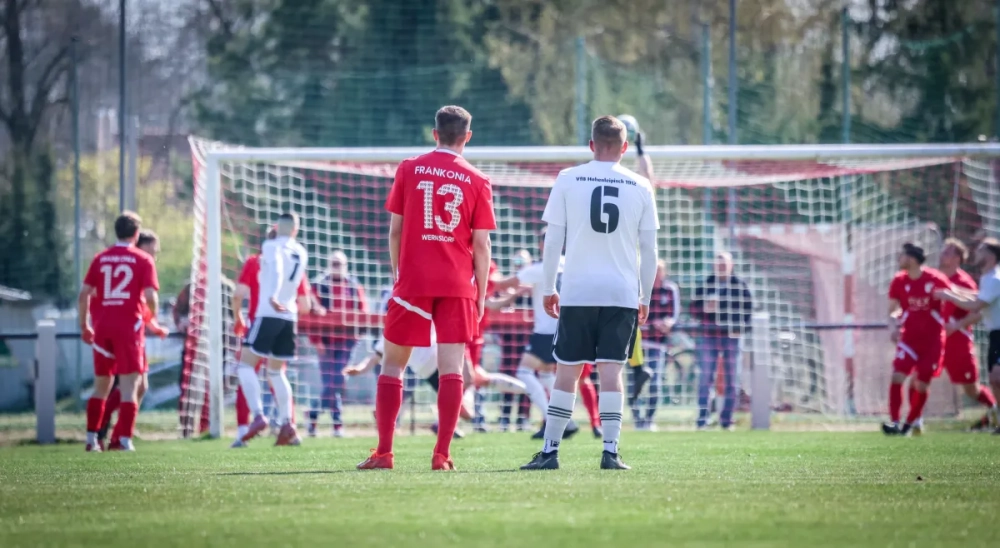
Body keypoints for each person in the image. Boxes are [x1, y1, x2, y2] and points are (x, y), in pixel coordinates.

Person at [357, 105, 496, 471]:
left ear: (435, 134)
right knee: (451, 369)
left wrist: (398, 275)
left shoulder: (408, 168)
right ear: (467, 137)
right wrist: (481, 294)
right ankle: (442, 455)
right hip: (457, 284)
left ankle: (384, 453)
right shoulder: (479, 179)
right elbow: (482, 245)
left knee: (393, 365)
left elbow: (395, 231)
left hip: (414, 280)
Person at [520, 115, 659, 471]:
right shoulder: (641, 185)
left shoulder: (568, 178)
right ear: (625, 147)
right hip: (621, 293)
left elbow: (553, 240)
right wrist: (645, 297)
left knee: (567, 372)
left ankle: (550, 452)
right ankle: (610, 452)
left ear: (591, 144)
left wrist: (549, 287)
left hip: (578, 291)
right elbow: (650, 250)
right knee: (611, 372)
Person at [79, 211, 160, 452]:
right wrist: (150, 316)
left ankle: (91, 439)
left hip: (102, 327)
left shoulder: (100, 258)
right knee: (130, 387)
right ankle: (124, 440)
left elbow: (83, 294)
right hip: (128, 329)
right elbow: (151, 297)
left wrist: (84, 325)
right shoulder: (143, 260)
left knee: (101, 386)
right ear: (136, 234)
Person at [231, 227, 318, 446]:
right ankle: (289, 426)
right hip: (288, 319)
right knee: (277, 374)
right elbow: (305, 305)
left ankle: (250, 423)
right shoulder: (296, 261)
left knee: (245, 368)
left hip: (261, 320)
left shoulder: (256, 261)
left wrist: (237, 317)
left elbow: (238, 294)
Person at [493, 228, 582, 439]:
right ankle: (565, 419)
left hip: (546, 330)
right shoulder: (571, 264)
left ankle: (555, 419)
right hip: (567, 328)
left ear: (542, 245)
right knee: (546, 374)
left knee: (524, 372)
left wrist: (484, 271)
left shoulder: (540, 268)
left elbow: (502, 285)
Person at [96, 230, 169, 449]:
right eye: (152, 250)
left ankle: (115, 435)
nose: (154, 255)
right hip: (125, 334)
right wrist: (152, 321)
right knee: (126, 387)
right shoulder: (137, 264)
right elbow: (145, 303)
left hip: (128, 333)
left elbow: (140, 307)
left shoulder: (132, 264)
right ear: (139, 244)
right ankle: (105, 432)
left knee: (138, 386)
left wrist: (153, 326)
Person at [882, 243, 952, 436]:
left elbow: (952, 298)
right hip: (909, 339)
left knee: (921, 384)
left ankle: (910, 424)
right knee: (897, 376)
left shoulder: (935, 279)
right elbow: (892, 310)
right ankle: (895, 422)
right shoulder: (899, 280)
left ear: (912, 259)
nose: (899, 259)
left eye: (902, 255)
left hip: (932, 342)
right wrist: (894, 326)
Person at [932, 238, 997, 432]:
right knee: (919, 376)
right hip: (935, 339)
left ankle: (994, 413)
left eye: (947, 252)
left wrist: (957, 324)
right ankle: (911, 422)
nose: (942, 254)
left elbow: (978, 309)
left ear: (957, 258)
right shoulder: (935, 278)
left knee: (974, 386)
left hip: (959, 341)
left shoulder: (974, 280)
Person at [691, 251, 752, 431]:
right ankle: (702, 419)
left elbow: (748, 312)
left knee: (732, 379)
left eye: (724, 264)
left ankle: (727, 420)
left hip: (732, 337)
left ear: (731, 265)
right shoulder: (706, 285)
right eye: (718, 264)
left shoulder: (740, 286)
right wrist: (705, 308)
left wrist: (739, 326)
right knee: (706, 378)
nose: (721, 267)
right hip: (709, 336)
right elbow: (693, 309)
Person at [310, 250, 368, 437]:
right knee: (330, 382)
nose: (337, 267)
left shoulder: (353, 286)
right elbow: (310, 316)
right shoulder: (319, 285)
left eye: (340, 264)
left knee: (337, 380)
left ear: (345, 266)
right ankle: (335, 425)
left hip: (346, 343)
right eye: (334, 263)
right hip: (326, 343)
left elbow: (363, 311)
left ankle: (313, 415)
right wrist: (316, 341)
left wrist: (357, 335)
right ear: (329, 265)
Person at [632, 260, 680, 430]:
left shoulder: (670, 289)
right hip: (637, 343)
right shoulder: (639, 288)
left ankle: (649, 419)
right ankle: (637, 420)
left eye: (659, 270)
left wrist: (667, 323)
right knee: (635, 381)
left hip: (658, 344)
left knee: (655, 381)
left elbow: (674, 315)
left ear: (664, 272)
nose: (656, 273)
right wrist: (648, 324)